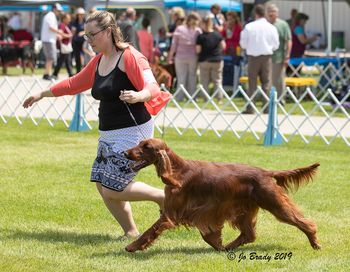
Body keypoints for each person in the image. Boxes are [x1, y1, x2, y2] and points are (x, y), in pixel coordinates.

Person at [23, 11, 171, 240]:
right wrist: (42, 93)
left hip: (134, 132)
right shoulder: (99, 60)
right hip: (108, 134)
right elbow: (74, 83)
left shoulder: (130, 56)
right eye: (86, 35)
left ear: (108, 31)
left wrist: (139, 95)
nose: (88, 40)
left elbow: (152, 86)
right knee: (103, 186)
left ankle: (163, 197)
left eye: (92, 35)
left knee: (113, 187)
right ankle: (130, 231)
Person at [239, 4, 279, 114]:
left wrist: (249, 47)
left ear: (255, 14)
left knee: (252, 82)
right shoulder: (271, 27)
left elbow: (243, 44)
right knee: (266, 82)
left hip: (253, 56)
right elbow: (276, 45)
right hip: (267, 56)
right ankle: (267, 108)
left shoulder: (249, 27)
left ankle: (250, 108)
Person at [168, 12, 202, 101]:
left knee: (181, 77)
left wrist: (170, 56)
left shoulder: (179, 29)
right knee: (192, 77)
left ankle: (180, 97)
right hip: (193, 57)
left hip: (180, 57)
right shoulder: (198, 30)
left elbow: (174, 45)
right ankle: (192, 97)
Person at [266, 4, 292, 104]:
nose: (271, 13)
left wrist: (287, 55)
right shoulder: (265, 24)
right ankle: (268, 100)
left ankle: (281, 99)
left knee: (279, 79)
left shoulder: (283, 24)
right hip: (265, 57)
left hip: (278, 57)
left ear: (277, 13)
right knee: (268, 80)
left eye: (273, 11)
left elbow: (288, 40)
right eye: (269, 11)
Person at [196, 15, 226, 101]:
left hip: (204, 60)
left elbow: (198, 50)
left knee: (204, 81)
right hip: (217, 60)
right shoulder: (218, 35)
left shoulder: (201, 37)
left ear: (203, 24)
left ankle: (206, 98)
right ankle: (219, 98)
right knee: (217, 80)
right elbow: (223, 46)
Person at [41, 3, 63, 80]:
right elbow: (51, 28)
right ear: (54, 9)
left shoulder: (50, 16)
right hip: (49, 41)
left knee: (49, 58)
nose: (59, 12)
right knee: (51, 58)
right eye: (58, 10)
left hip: (48, 39)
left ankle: (46, 74)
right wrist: (60, 32)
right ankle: (47, 74)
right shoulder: (50, 16)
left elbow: (49, 29)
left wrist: (57, 35)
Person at [52, 13, 73, 79]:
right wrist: (68, 36)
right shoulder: (62, 25)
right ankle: (56, 74)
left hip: (66, 46)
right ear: (64, 19)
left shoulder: (66, 25)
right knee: (63, 60)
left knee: (66, 60)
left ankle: (69, 73)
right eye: (68, 19)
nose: (69, 20)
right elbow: (60, 34)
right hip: (64, 45)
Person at [71, 7, 86, 74]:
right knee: (77, 57)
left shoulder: (86, 22)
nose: (80, 16)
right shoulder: (74, 23)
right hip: (76, 42)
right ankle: (78, 72)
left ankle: (84, 71)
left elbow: (89, 30)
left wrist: (83, 32)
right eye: (79, 14)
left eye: (82, 14)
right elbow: (73, 33)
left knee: (84, 56)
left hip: (84, 42)